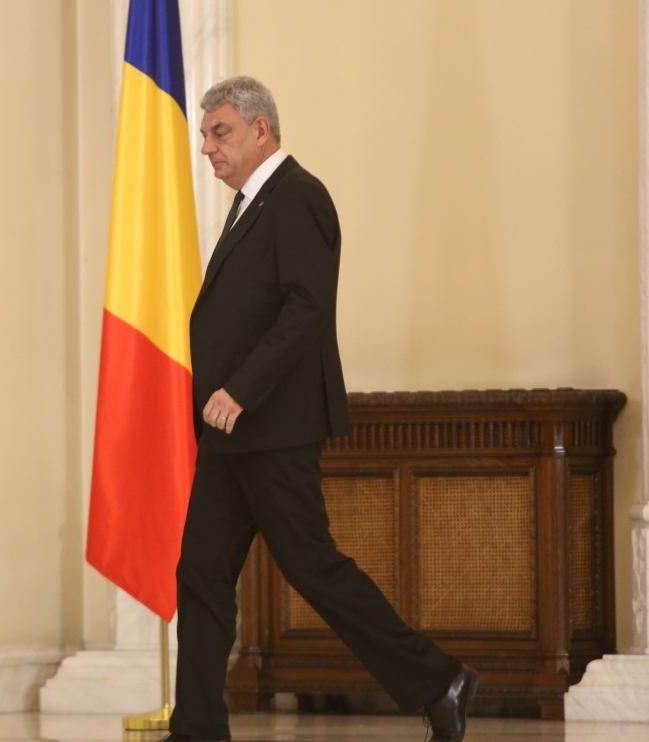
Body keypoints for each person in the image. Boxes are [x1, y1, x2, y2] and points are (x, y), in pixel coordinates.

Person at [167, 76, 477, 742]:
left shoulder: (298, 197)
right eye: (203, 135)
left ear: (260, 130)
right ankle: (195, 728)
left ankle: (438, 680)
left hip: (272, 426)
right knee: (199, 572)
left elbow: (306, 311)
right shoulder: (252, 204)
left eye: (218, 132)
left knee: (313, 567)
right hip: (231, 436)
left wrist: (241, 389)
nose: (207, 149)